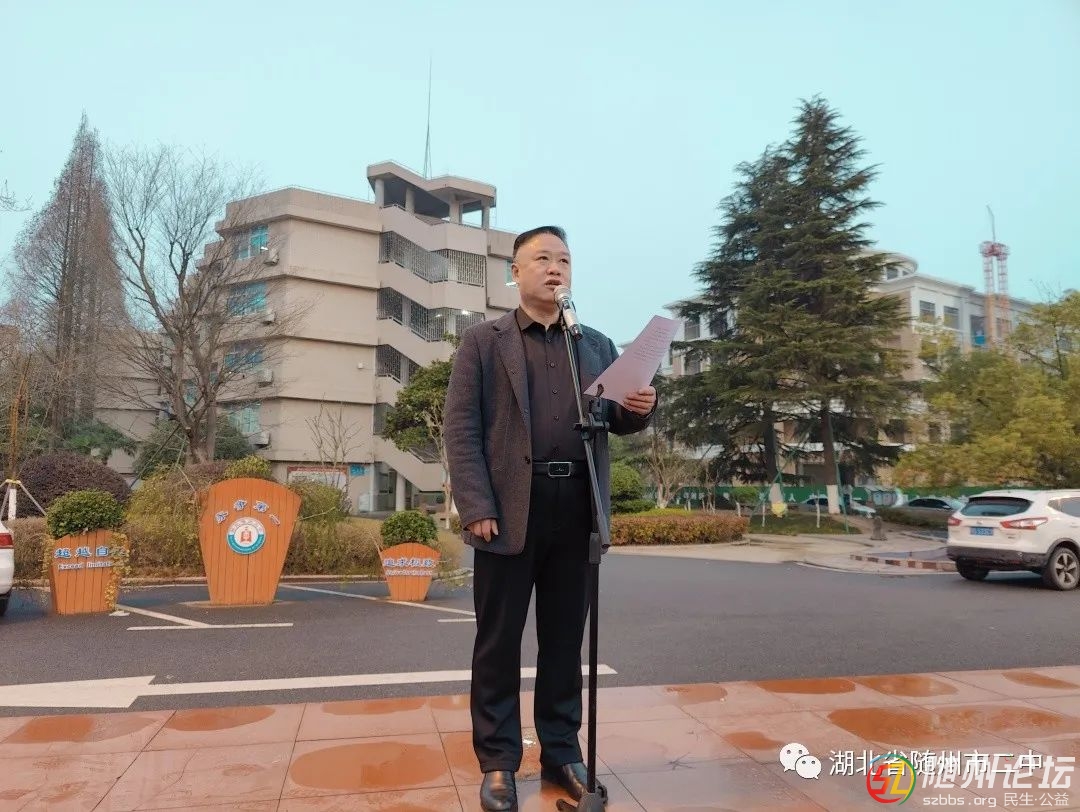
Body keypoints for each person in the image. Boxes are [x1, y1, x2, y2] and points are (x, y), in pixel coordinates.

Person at [444, 225, 657, 811]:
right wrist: (476, 505)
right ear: (515, 272)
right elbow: (461, 429)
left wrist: (642, 406)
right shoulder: (484, 342)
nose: (555, 268)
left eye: (563, 259)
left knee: (565, 642)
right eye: (541, 258)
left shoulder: (592, 343)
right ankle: (498, 761)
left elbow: (618, 417)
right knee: (498, 643)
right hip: (509, 511)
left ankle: (562, 753)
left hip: (577, 509)